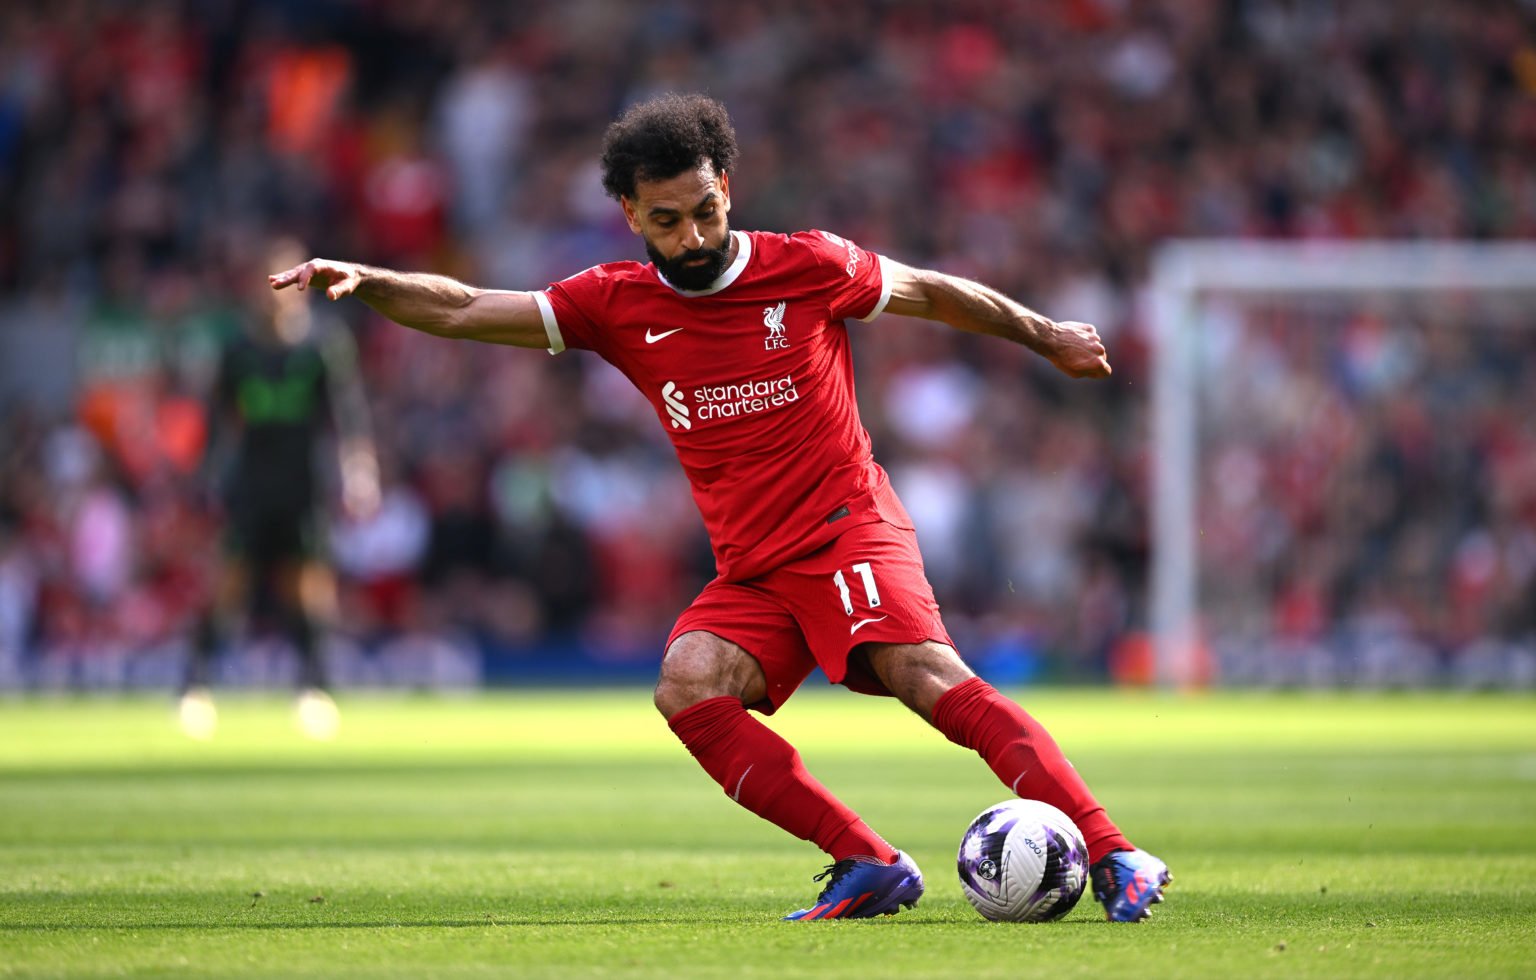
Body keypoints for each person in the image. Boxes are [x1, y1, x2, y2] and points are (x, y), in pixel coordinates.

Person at [269, 94, 1170, 920]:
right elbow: (467, 308)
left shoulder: (808, 266)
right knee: (688, 686)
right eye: (667, 221)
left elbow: (932, 291)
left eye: (706, 209)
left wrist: (1043, 333)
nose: (694, 235)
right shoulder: (613, 303)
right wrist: (374, 282)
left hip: (845, 526)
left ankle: (1114, 851)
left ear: (726, 187)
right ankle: (870, 862)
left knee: (921, 677)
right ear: (631, 215)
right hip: (756, 565)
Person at [181, 237, 378, 741]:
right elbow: (215, 423)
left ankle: (314, 690)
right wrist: (203, 480)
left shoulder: (322, 346)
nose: (276, 296)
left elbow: (349, 419)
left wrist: (360, 472)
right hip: (250, 486)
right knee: (229, 588)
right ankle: (194, 688)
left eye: (286, 286)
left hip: (304, 487)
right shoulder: (237, 350)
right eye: (269, 286)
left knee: (309, 593)